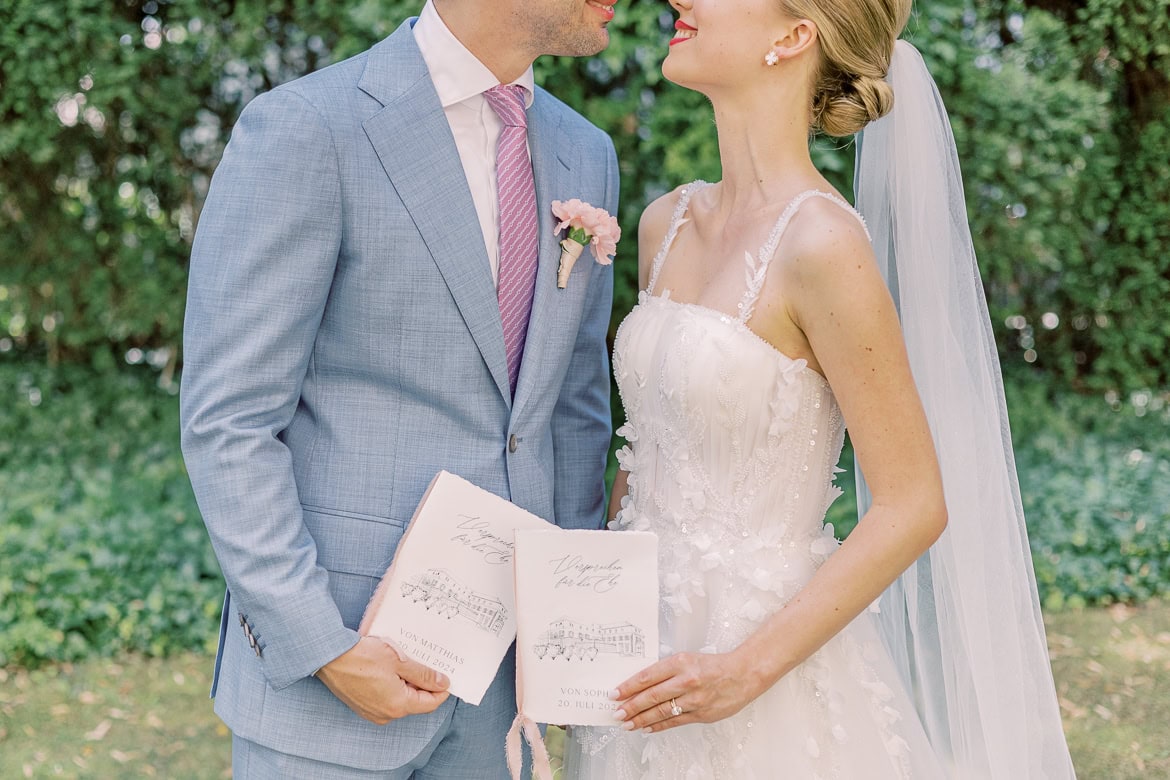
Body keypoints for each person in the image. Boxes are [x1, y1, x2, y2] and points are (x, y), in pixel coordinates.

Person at [566, 0, 1077, 776]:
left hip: (764, 669)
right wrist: (592, 608)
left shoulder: (822, 245)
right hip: (643, 660)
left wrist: (745, 669)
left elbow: (914, 503)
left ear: (794, 35)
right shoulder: (663, 222)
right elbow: (646, 443)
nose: (681, 1)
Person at [179, 0, 619, 775]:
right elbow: (230, 422)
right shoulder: (308, 128)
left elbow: (572, 410)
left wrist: (565, 623)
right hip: (335, 675)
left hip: (503, 694)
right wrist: (320, 644)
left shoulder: (587, 153)